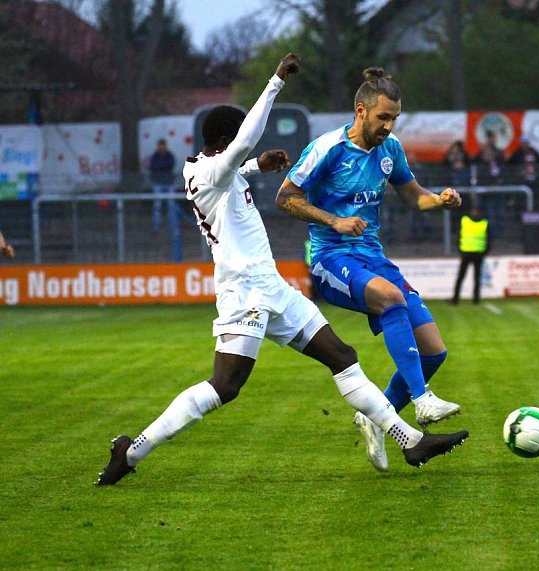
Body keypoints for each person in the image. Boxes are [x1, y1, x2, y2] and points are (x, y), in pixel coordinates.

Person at [96, 54, 468, 486]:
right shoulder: (214, 171)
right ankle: (132, 451)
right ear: (224, 141)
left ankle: (410, 441)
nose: (246, 148)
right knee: (225, 386)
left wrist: (260, 164)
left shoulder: (207, 169)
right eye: (239, 143)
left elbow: (236, 163)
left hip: (272, 287)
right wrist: (275, 82)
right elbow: (239, 150)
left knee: (342, 357)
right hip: (244, 293)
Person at [275, 67, 463, 472]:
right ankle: (422, 400)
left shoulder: (390, 148)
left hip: (373, 256)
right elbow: (285, 197)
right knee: (391, 298)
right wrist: (334, 221)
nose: (389, 126)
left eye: (394, 118)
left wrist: (439, 200)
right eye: (383, 117)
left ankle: (375, 418)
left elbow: (412, 196)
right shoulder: (327, 148)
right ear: (360, 110)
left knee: (434, 350)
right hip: (331, 258)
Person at [451, 206, 490, 305]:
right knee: (469, 277)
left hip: (472, 253)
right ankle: (469, 299)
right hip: (471, 253)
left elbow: (488, 239)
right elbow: (489, 239)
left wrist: (484, 251)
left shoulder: (467, 221)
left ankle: (461, 299)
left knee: (469, 277)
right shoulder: (480, 223)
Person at [147, 138, 177, 231]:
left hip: (169, 182)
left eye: (163, 145)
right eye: (160, 146)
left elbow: (170, 165)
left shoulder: (170, 155)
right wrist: (163, 166)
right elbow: (153, 166)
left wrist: (161, 166)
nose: (161, 147)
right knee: (157, 206)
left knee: (171, 205)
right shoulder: (155, 156)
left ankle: (172, 226)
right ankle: (156, 226)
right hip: (158, 182)